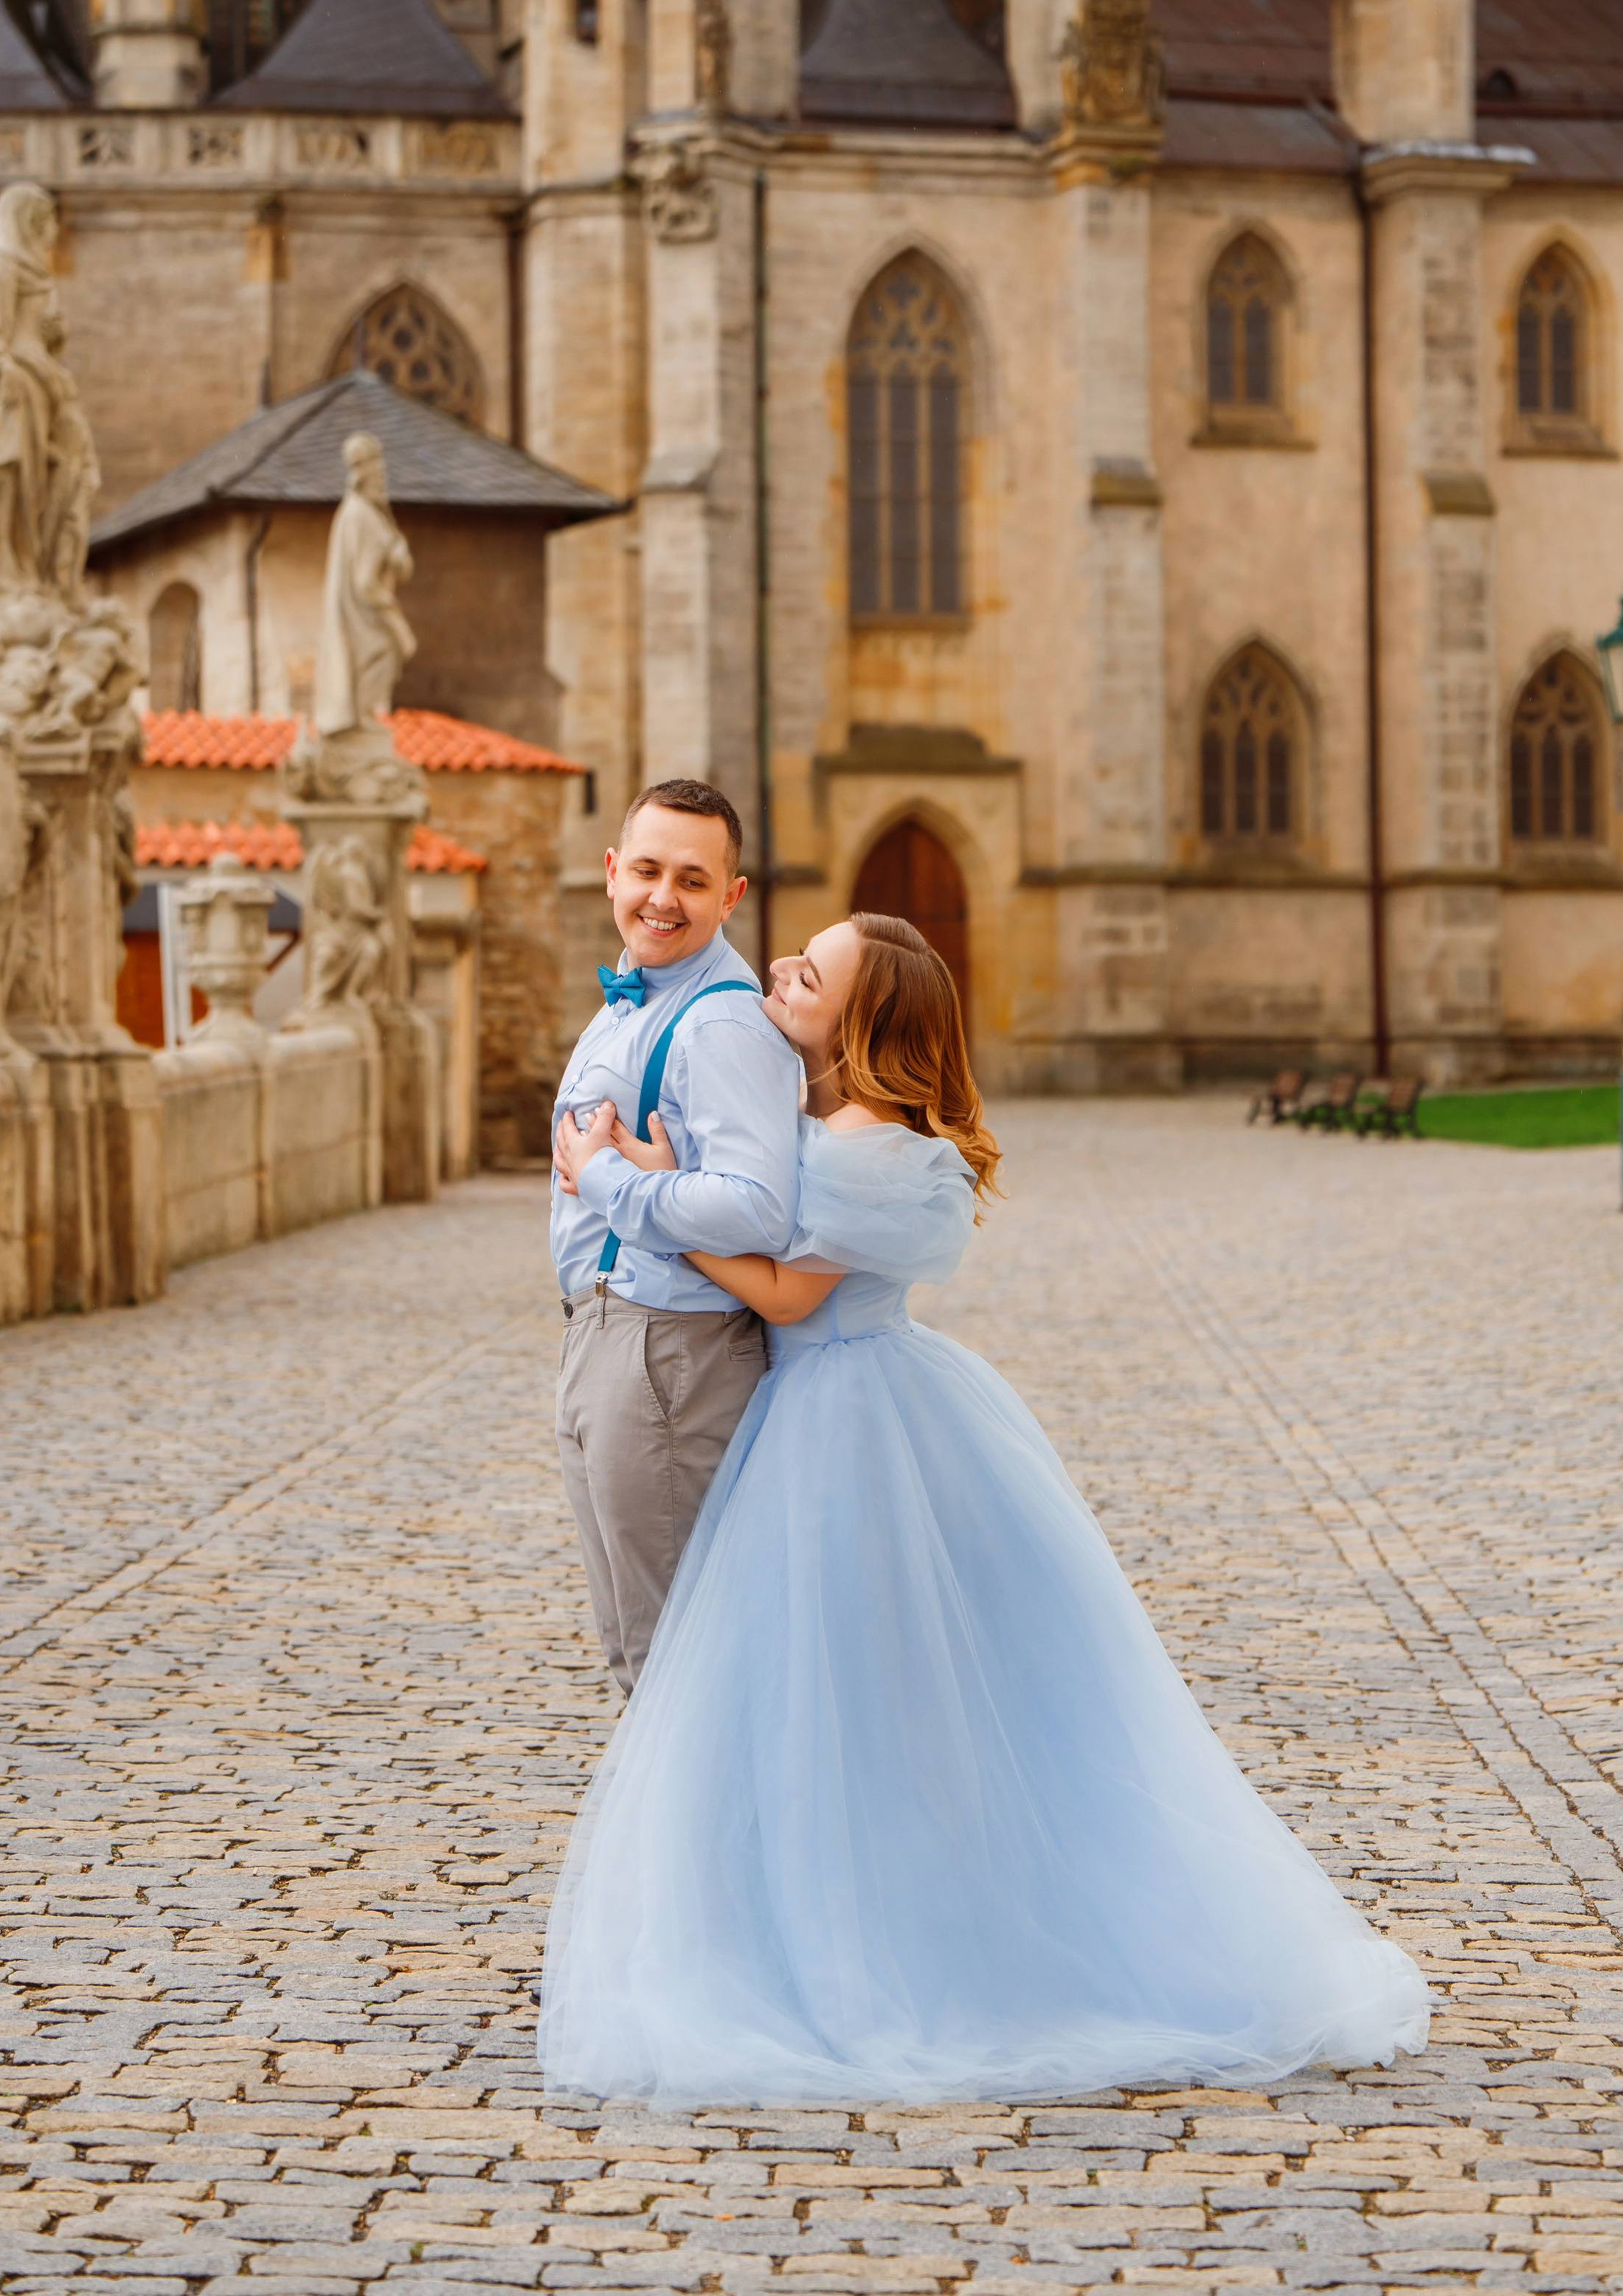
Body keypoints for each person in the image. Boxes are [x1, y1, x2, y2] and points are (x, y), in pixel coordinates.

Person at [541, 913, 1430, 2105]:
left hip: (844, 1419)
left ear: (861, 1022)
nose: (782, 974)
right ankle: (822, 1911)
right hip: (838, 1404)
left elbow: (788, 1298)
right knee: (847, 1693)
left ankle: (893, 1942)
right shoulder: (842, 1126)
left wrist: (620, 1187)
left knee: (852, 1692)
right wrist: (670, 1182)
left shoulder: (867, 1149)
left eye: (811, 975)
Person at [548, 777, 800, 1694]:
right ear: (611, 871)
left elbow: (759, 1208)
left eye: (692, 881)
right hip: (611, 1338)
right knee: (634, 1645)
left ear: (731, 896)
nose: (663, 897)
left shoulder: (721, 1023)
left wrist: (607, 1182)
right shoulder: (637, 996)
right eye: (647, 870)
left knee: (669, 1657)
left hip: (666, 1351)